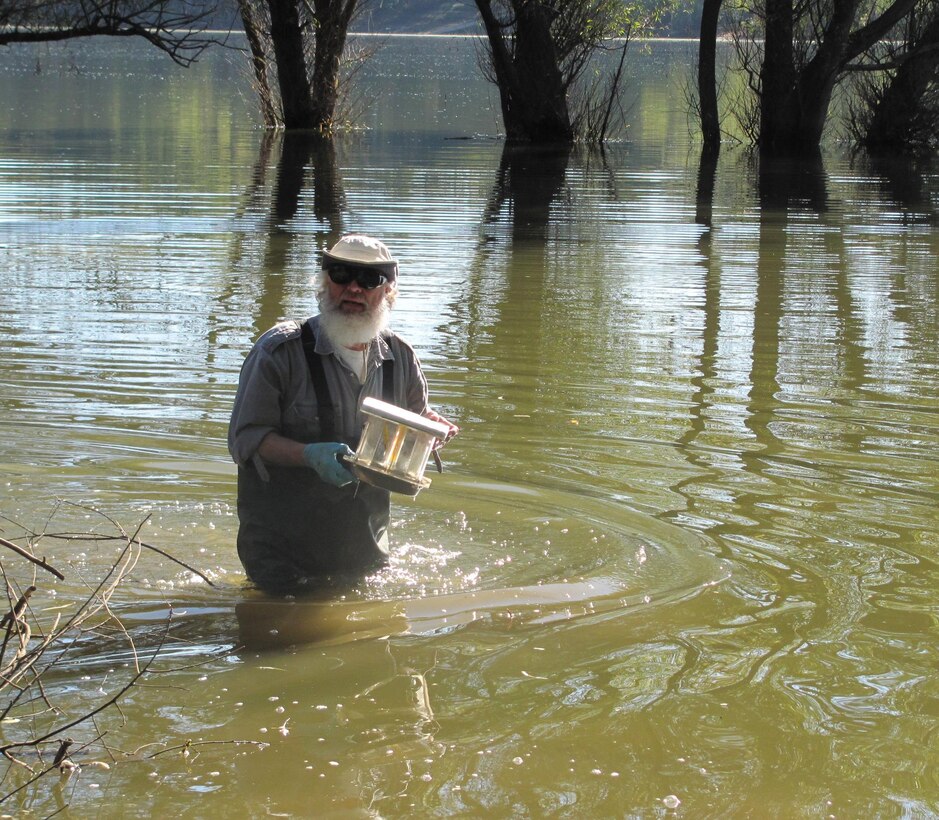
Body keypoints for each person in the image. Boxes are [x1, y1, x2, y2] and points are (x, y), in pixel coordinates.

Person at [228, 234, 458, 594]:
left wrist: (429, 426)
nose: (353, 289)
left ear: (388, 292)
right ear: (323, 284)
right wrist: (308, 454)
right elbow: (246, 440)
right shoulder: (279, 351)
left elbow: (414, 420)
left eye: (368, 280)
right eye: (340, 275)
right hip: (280, 546)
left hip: (364, 541)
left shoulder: (402, 358)